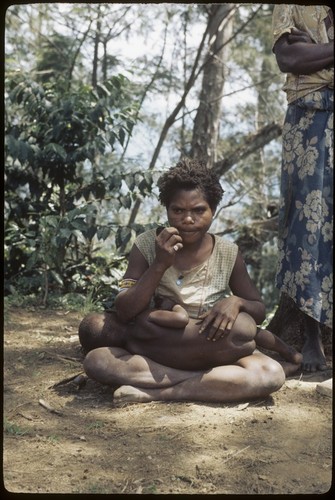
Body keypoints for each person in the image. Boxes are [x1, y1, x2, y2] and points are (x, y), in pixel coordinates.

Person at [79, 158, 302, 404]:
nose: (188, 219)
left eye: (198, 210)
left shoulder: (228, 252)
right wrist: (160, 263)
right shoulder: (146, 245)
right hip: (159, 353)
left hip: (217, 350)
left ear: (213, 211)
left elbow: (258, 310)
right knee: (98, 361)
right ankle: (204, 381)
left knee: (270, 375)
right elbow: (124, 310)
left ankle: (161, 391)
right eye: (178, 211)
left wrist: (236, 302)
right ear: (167, 210)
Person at [272, 5, 333, 372]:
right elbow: (290, 56)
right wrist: (303, 56)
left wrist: (318, 53)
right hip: (308, 116)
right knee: (307, 224)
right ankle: (312, 337)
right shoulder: (293, 4)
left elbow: (307, 57)